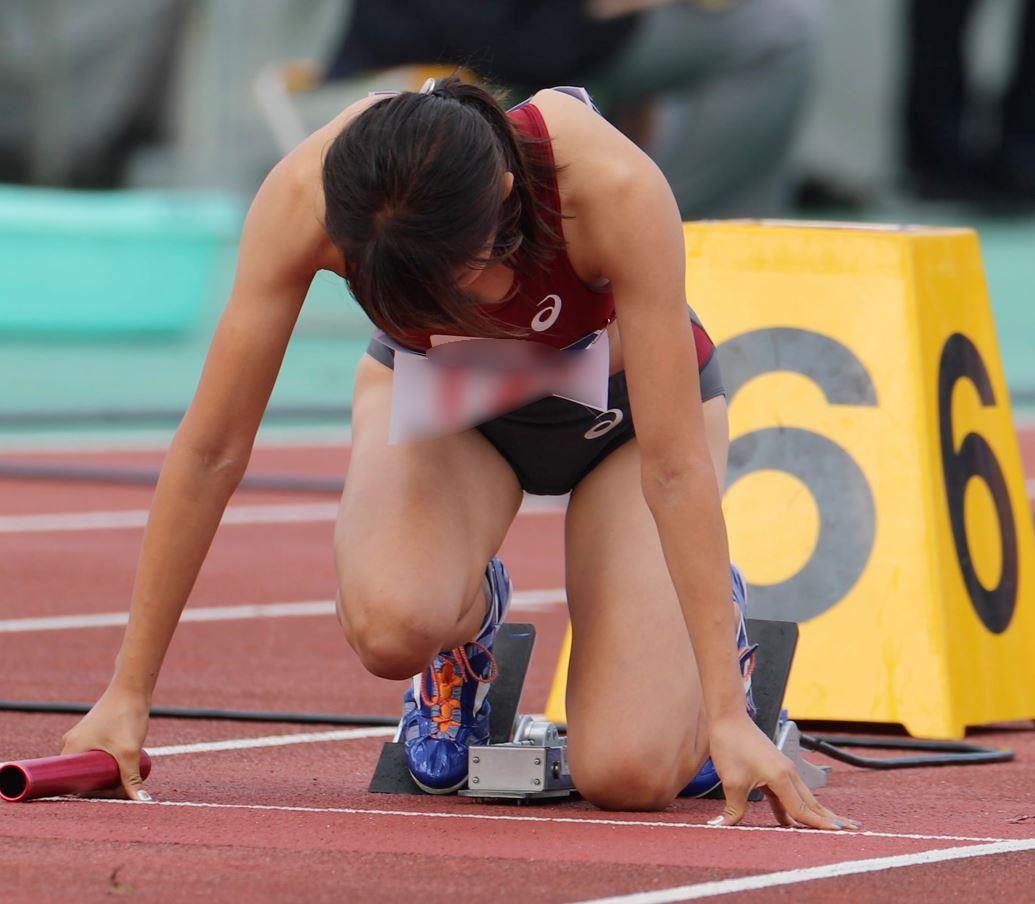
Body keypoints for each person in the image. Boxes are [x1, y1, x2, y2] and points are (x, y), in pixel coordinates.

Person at [61, 76, 856, 829]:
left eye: (456, 277)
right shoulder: (308, 195)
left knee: (629, 775)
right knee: (390, 627)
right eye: (405, 290)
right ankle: (465, 635)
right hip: (447, 409)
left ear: (504, 198)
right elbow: (211, 449)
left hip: (622, 423)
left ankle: (721, 643)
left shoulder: (608, 185)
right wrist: (126, 694)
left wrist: (722, 713)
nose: (453, 308)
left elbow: (675, 466)